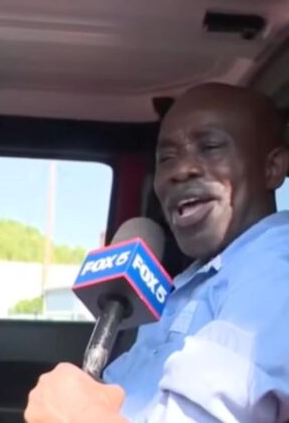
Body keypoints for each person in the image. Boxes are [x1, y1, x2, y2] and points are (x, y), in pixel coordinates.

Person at [24, 83, 289, 422]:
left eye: (209, 147)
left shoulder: (274, 268)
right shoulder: (193, 281)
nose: (180, 171)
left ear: (272, 169)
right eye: (166, 158)